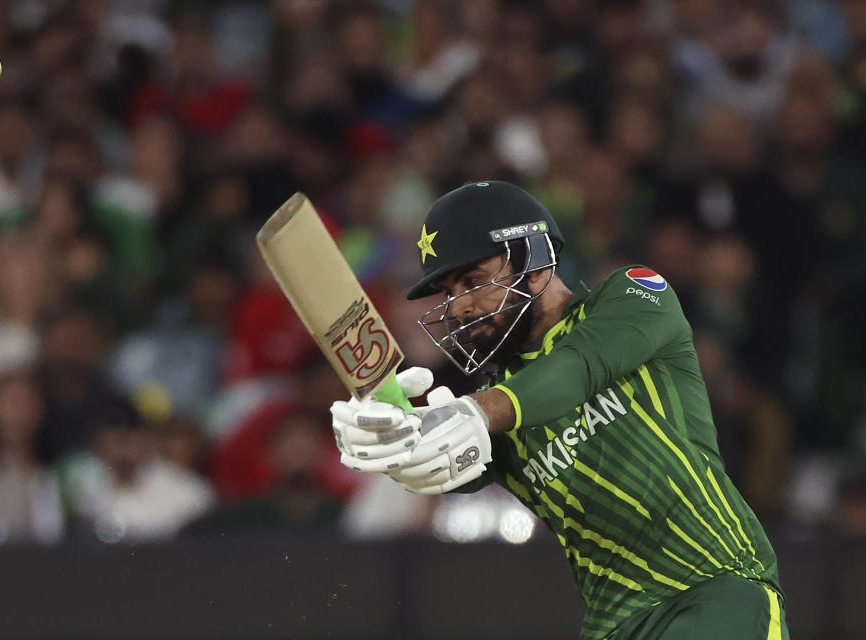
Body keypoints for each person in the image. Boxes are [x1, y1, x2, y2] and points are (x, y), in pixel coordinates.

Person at [331, 181, 787, 640]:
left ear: (533, 258)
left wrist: (476, 412)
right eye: (450, 293)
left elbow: (577, 366)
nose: (461, 306)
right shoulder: (495, 407)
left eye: (473, 281)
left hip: (715, 590)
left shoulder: (634, 297)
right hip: (613, 627)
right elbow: (441, 468)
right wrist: (394, 439)